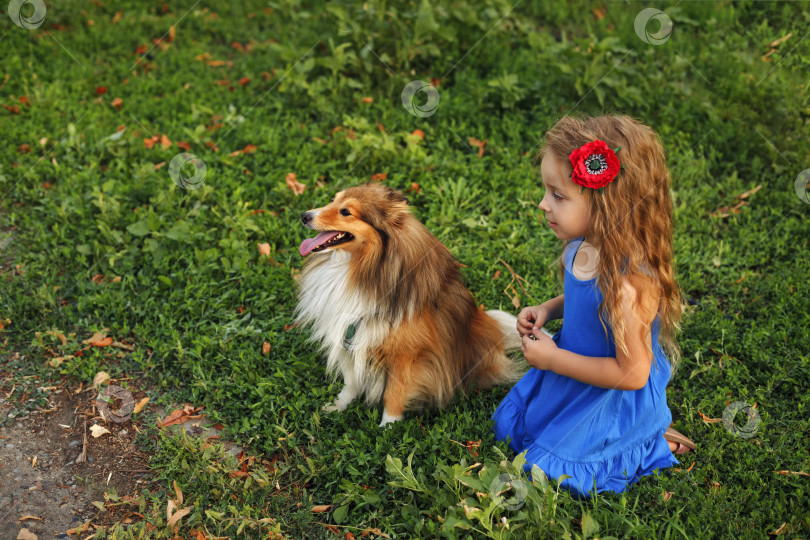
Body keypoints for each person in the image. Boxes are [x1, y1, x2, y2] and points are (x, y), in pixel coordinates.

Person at [491, 114, 695, 498]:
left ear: (608, 204)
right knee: (511, 430)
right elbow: (586, 299)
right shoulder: (586, 244)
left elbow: (631, 374)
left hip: (610, 390)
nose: (542, 204)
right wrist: (550, 309)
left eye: (558, 195)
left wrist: (553, 360)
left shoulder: (629, 286)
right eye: (546, 191)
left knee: (548, 473)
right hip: (576, 369)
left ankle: (648, 439)